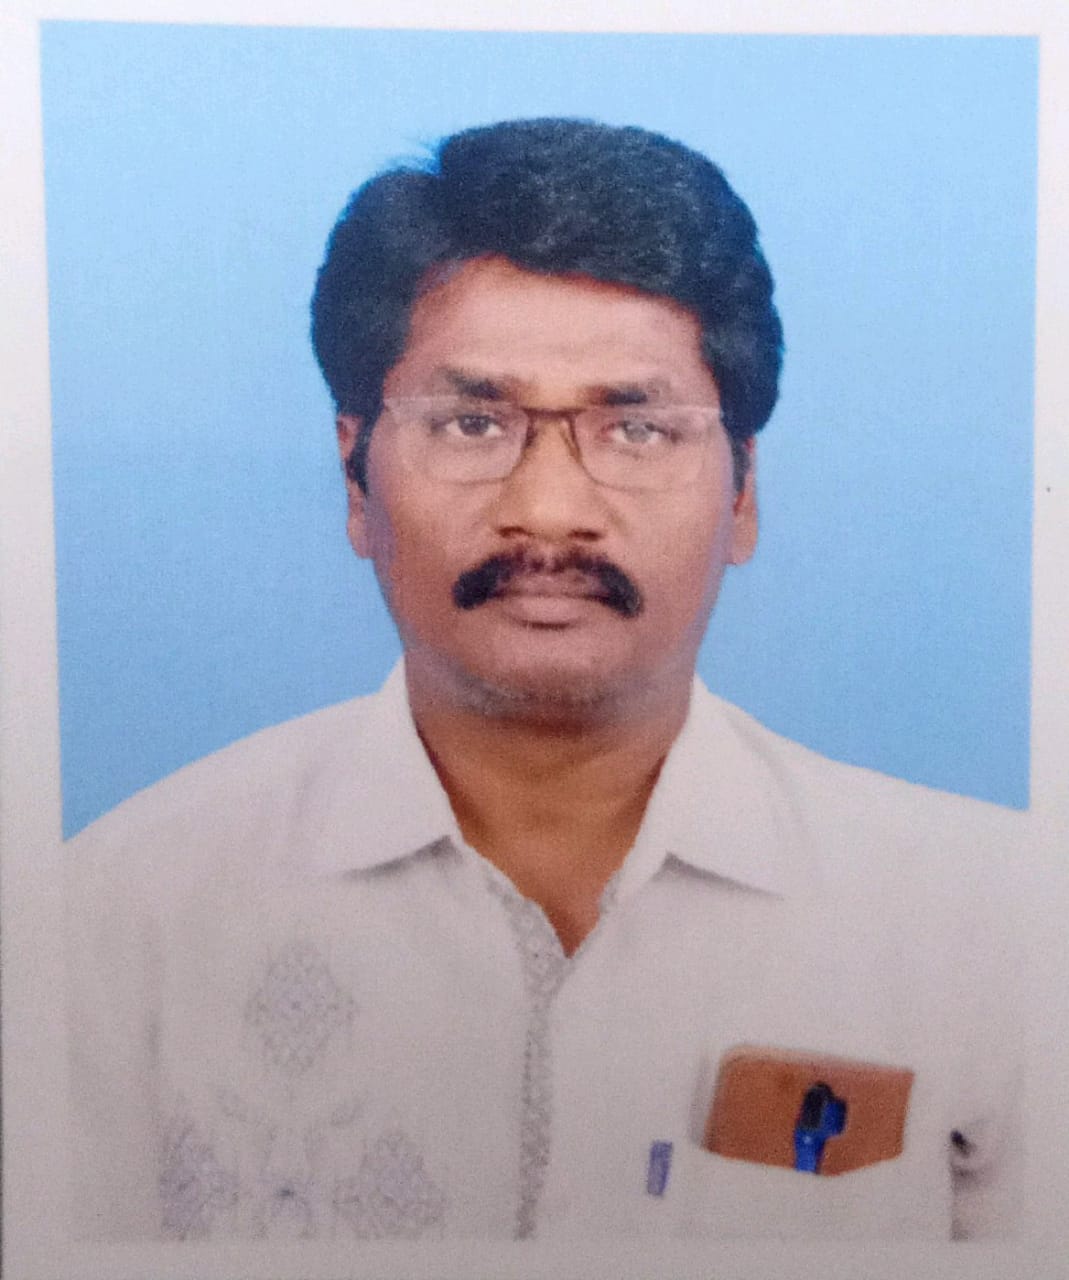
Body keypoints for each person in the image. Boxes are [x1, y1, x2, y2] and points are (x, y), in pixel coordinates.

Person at [66, 118, 1019, 1243]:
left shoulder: (994, 920)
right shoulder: (116, 917)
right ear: (355, 482)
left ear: (743, 491)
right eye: (473, 422)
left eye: (638, 428)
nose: (550, 510)